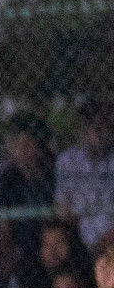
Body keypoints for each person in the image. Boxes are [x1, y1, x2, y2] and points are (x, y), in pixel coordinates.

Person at [55, 101, 114, 250]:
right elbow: (63, 207)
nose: (95, 131)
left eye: (101, 126)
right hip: (79, 240)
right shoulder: (68, 160)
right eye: (89, 126)